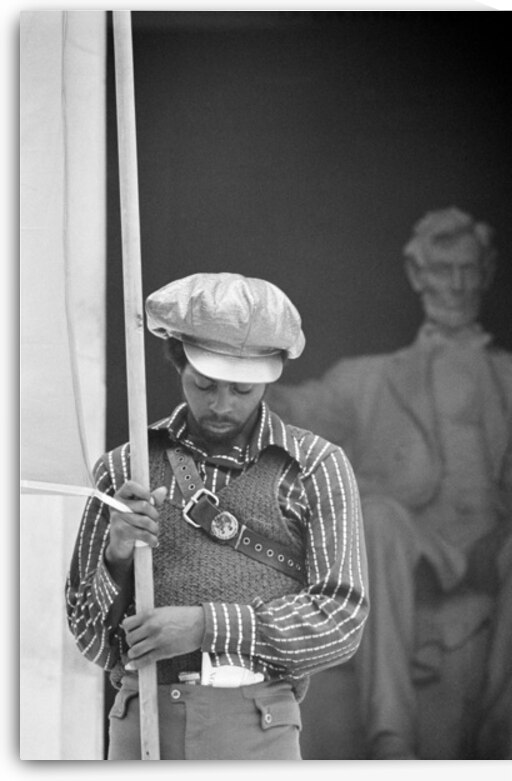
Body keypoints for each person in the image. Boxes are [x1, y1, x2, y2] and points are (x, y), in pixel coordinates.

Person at [65, 272, 369, 760]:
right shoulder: (126, 467)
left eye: (243, 390)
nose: (222, 405)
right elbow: (92, 641)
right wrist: (116, 557)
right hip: (141, 726)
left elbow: (340, 621)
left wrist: (205, 626)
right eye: (204, 384)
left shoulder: (315, 467)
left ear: (271, 378)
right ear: (178, 362)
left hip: (257, 724)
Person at [267, 207, 512, 759]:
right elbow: (298, 408)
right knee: (375, 515)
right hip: (413, 545)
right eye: (442, 268)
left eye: (468, 269)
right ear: (417, 275)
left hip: (502, 544)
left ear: (488, 271)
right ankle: (391, 737)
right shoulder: (370, 378)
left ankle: (510, 741)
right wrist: (238, 366)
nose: (456, 284)